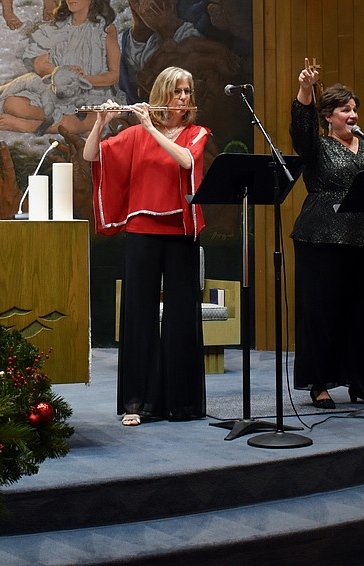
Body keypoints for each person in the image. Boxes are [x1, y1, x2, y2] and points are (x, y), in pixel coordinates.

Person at [82, 66, 209, 425]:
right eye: (178, 91)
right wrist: (100, 123)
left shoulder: (196, 133)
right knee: (138, 316)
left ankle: (181, 403)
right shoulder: (136, 135)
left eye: (188, 91)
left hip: (181, 233)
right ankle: (137, 403)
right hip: (142, 231)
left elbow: (185, 161)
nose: (184, 98)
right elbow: (92, 156)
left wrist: (152, 129)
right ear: (162, 93)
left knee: (182, 315)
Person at [291, 57, 364, 409]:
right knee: (322, 312)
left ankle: (362, 382)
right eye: (345, 110)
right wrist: (306, 90)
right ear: (328, 115)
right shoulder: (317, 146)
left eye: (354, 109)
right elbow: (300, 130)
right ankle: (320, 384)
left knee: (363, 313)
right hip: (322, 238)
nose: (352, 115)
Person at [0, 0, 121, 134]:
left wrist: (82, 79)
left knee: (83, 119)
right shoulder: (59, 26)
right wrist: (62, 74)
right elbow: (40, 64)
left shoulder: (105, 29)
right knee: (12, 104)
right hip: (55, 93)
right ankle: (59, 118)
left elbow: (113, 75)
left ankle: (29, 126)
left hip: (90, 95)